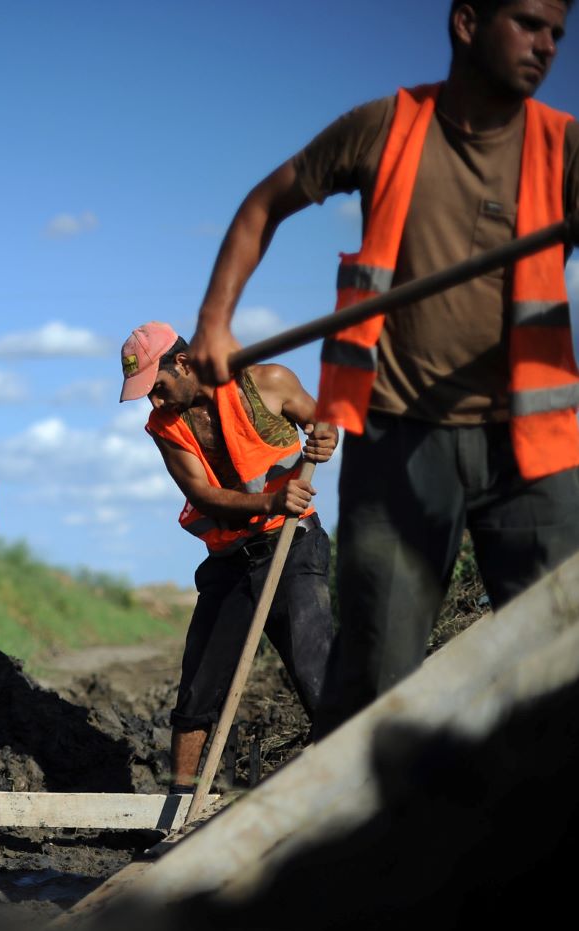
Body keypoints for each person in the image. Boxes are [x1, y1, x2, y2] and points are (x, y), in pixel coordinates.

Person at [187, 0, 579, 721]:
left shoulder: (565, 150)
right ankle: (371, 829)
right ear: (466, 22)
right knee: (374, 671)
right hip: (400, 437)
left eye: (558, 30)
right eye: (528, 22)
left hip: (529, 450)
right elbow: (263, 203)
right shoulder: (386, 129)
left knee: (559, 659)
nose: (548, 45)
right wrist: (216, 321)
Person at [120, 322, 338, 794]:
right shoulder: (165, 427)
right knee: (199, 688)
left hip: (293, 543)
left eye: (157, 388)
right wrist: (268, 503)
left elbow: (320, 423)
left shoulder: (268, 383)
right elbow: (203, 494)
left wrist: (326, 435)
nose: (155, 403)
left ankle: (349, 782)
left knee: (315, 671)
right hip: (231, 559)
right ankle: (178, 805)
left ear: (182, 363)